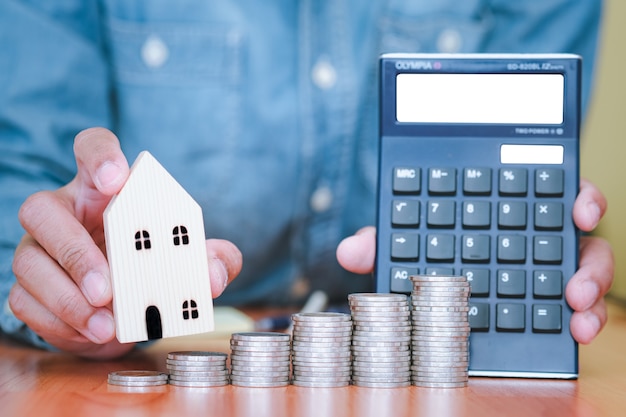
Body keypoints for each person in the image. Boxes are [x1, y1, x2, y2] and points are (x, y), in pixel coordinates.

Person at [0, 1, 613, 359]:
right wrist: (65, 287)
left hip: (422, 358)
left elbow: (525, 160)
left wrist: (535, 239)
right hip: (160, 361)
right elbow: (23, 184)